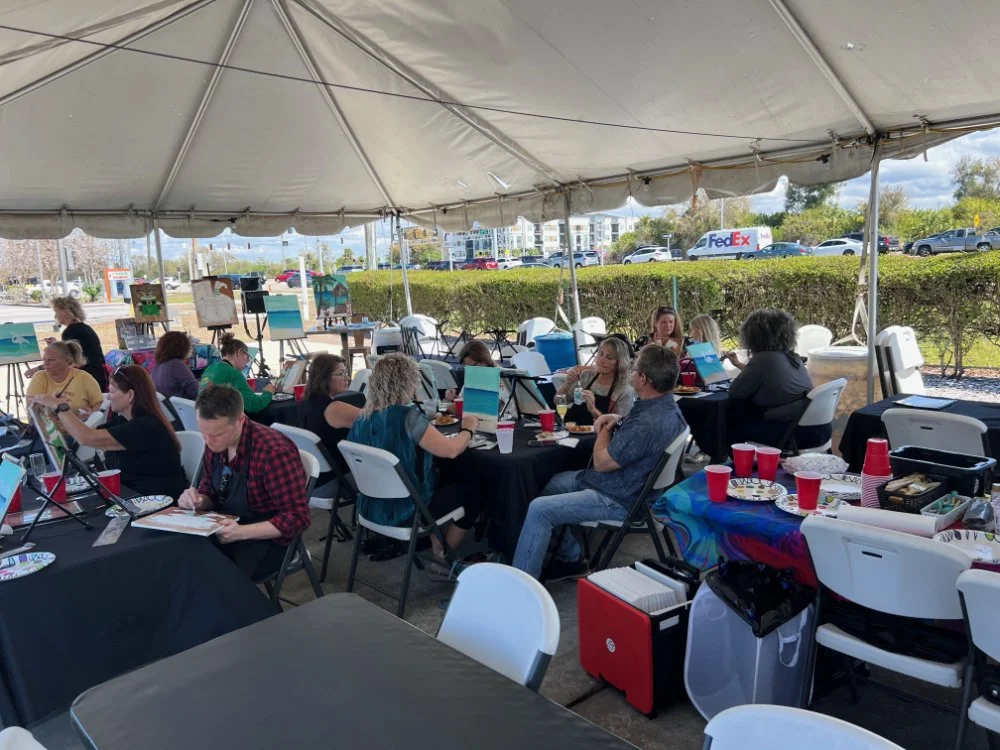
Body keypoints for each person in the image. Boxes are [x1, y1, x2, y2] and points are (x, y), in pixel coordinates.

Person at [513, 344, 688, 580]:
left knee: (539, 509)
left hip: (619, 499)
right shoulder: (667, 408)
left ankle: (521, 586)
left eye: (635, 370)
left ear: (643, 379)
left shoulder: (647, 423)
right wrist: (616, 418)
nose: (632, 373)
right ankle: (571, 558)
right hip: (629, 487)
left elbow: (601, 462)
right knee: (554, 483)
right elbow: (638, 437)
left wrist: (604, 428)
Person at [347, 354, 484, 574]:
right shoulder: (406, 416)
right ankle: (442, 557)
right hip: (409, 511)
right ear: (407, 382)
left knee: (447, 479)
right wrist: (468, 428)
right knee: (475, 489)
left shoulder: (362, 418)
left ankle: (437, 546)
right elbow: (451, 451)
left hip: (371, 508)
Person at [179, 385, 310, 579]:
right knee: (177, 555)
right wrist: (199, 499)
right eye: (203, 433)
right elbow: (210, 492)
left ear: (240, 420)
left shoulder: (273, 452)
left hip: (268, 541)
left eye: (215, 435)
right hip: (227, 526)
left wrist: (242, 532)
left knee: (202, 576)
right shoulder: (215, 441)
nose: (207, 441)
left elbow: (298, 518)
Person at [31, 365, 188, 499]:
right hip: (134, 498)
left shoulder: (147, 427)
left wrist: (61, 407)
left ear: (130, 395)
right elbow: (86, 434)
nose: (109, 398)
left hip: (159, 504)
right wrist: (56, 416)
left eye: (112, 392)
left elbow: (87, 438)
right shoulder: (125, 422)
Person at [726, 308, 827, 448]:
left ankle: (731, 462)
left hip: (791, 434)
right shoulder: (792, 357)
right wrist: (739, 365)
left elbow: (735, 392)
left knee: (729, 416)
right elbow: (770, 377)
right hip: (816, 430)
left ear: (753, 337)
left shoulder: (764, 359)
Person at [301, 353, 362, 486]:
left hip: (315, 478)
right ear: (324, 378)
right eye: (341, 374)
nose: (347, 378)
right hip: (335, 481)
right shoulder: (334, 409)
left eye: (346, 373)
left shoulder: (308, 402)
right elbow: (376, 420)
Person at [34, 296, 109, 392]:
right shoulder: (85, 328)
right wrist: (57, 345)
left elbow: (68, 361)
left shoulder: (70, 331)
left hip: (86, 378)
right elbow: (76, 350)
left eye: (56, 312)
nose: (55, 316)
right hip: (98, 375)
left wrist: (38, 369)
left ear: (64, 312)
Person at [557, 337, 635, 425]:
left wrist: (593, 410)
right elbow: (558, 402)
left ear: (619, 363)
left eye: (609, 358)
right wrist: (567, 383)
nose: (602, 360)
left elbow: (621, 428)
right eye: (600, 354)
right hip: (572, 431)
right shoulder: (586, 376)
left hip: (598, 437)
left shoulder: (624, 391)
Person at [198, 333, 274, 414]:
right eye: (247, 357)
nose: (247, 362)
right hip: (221, 420)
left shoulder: (210, 369)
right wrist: (268, 392)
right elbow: (253, 405)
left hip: (206, 417)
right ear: (240, 352)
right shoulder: (233, 373)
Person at [26, 341, 104, 416]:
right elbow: (31, 407)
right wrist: (51, 402)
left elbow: (99, 404)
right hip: (48, 428)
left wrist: (91, 416)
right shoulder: (40, 377)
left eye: (51, 360)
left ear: (66, 360)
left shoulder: (83, 377)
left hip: (79, 426)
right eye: (44, 359)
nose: (45, 363)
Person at [445, 340, 514, 418]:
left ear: (484, 361)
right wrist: (453, 397)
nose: (469, 371)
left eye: (472, 367)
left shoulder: (500, 377)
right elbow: (463, 400)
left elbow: (510, 406)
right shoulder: (473, 374)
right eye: (465, 367)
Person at [152, 330, 199, 400]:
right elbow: (196, 392)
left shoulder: (157, 368)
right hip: (185, 409)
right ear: (182, 347)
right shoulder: (175, 364)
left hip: (170, 409)